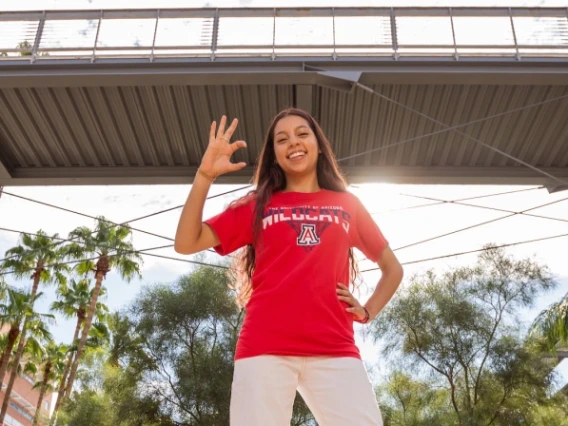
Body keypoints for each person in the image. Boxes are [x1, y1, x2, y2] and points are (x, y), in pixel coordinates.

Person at [174, 108, 404, 426]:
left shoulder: (347, 204)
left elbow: (393, 269)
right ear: (275, 156)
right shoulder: (257, 205)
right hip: (264, 346)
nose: (292, 142)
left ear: (319, 145)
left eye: (302, 134)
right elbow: (186, 242)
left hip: (335, 345)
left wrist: (366, 311)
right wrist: (204, 176)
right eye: (282, 139)